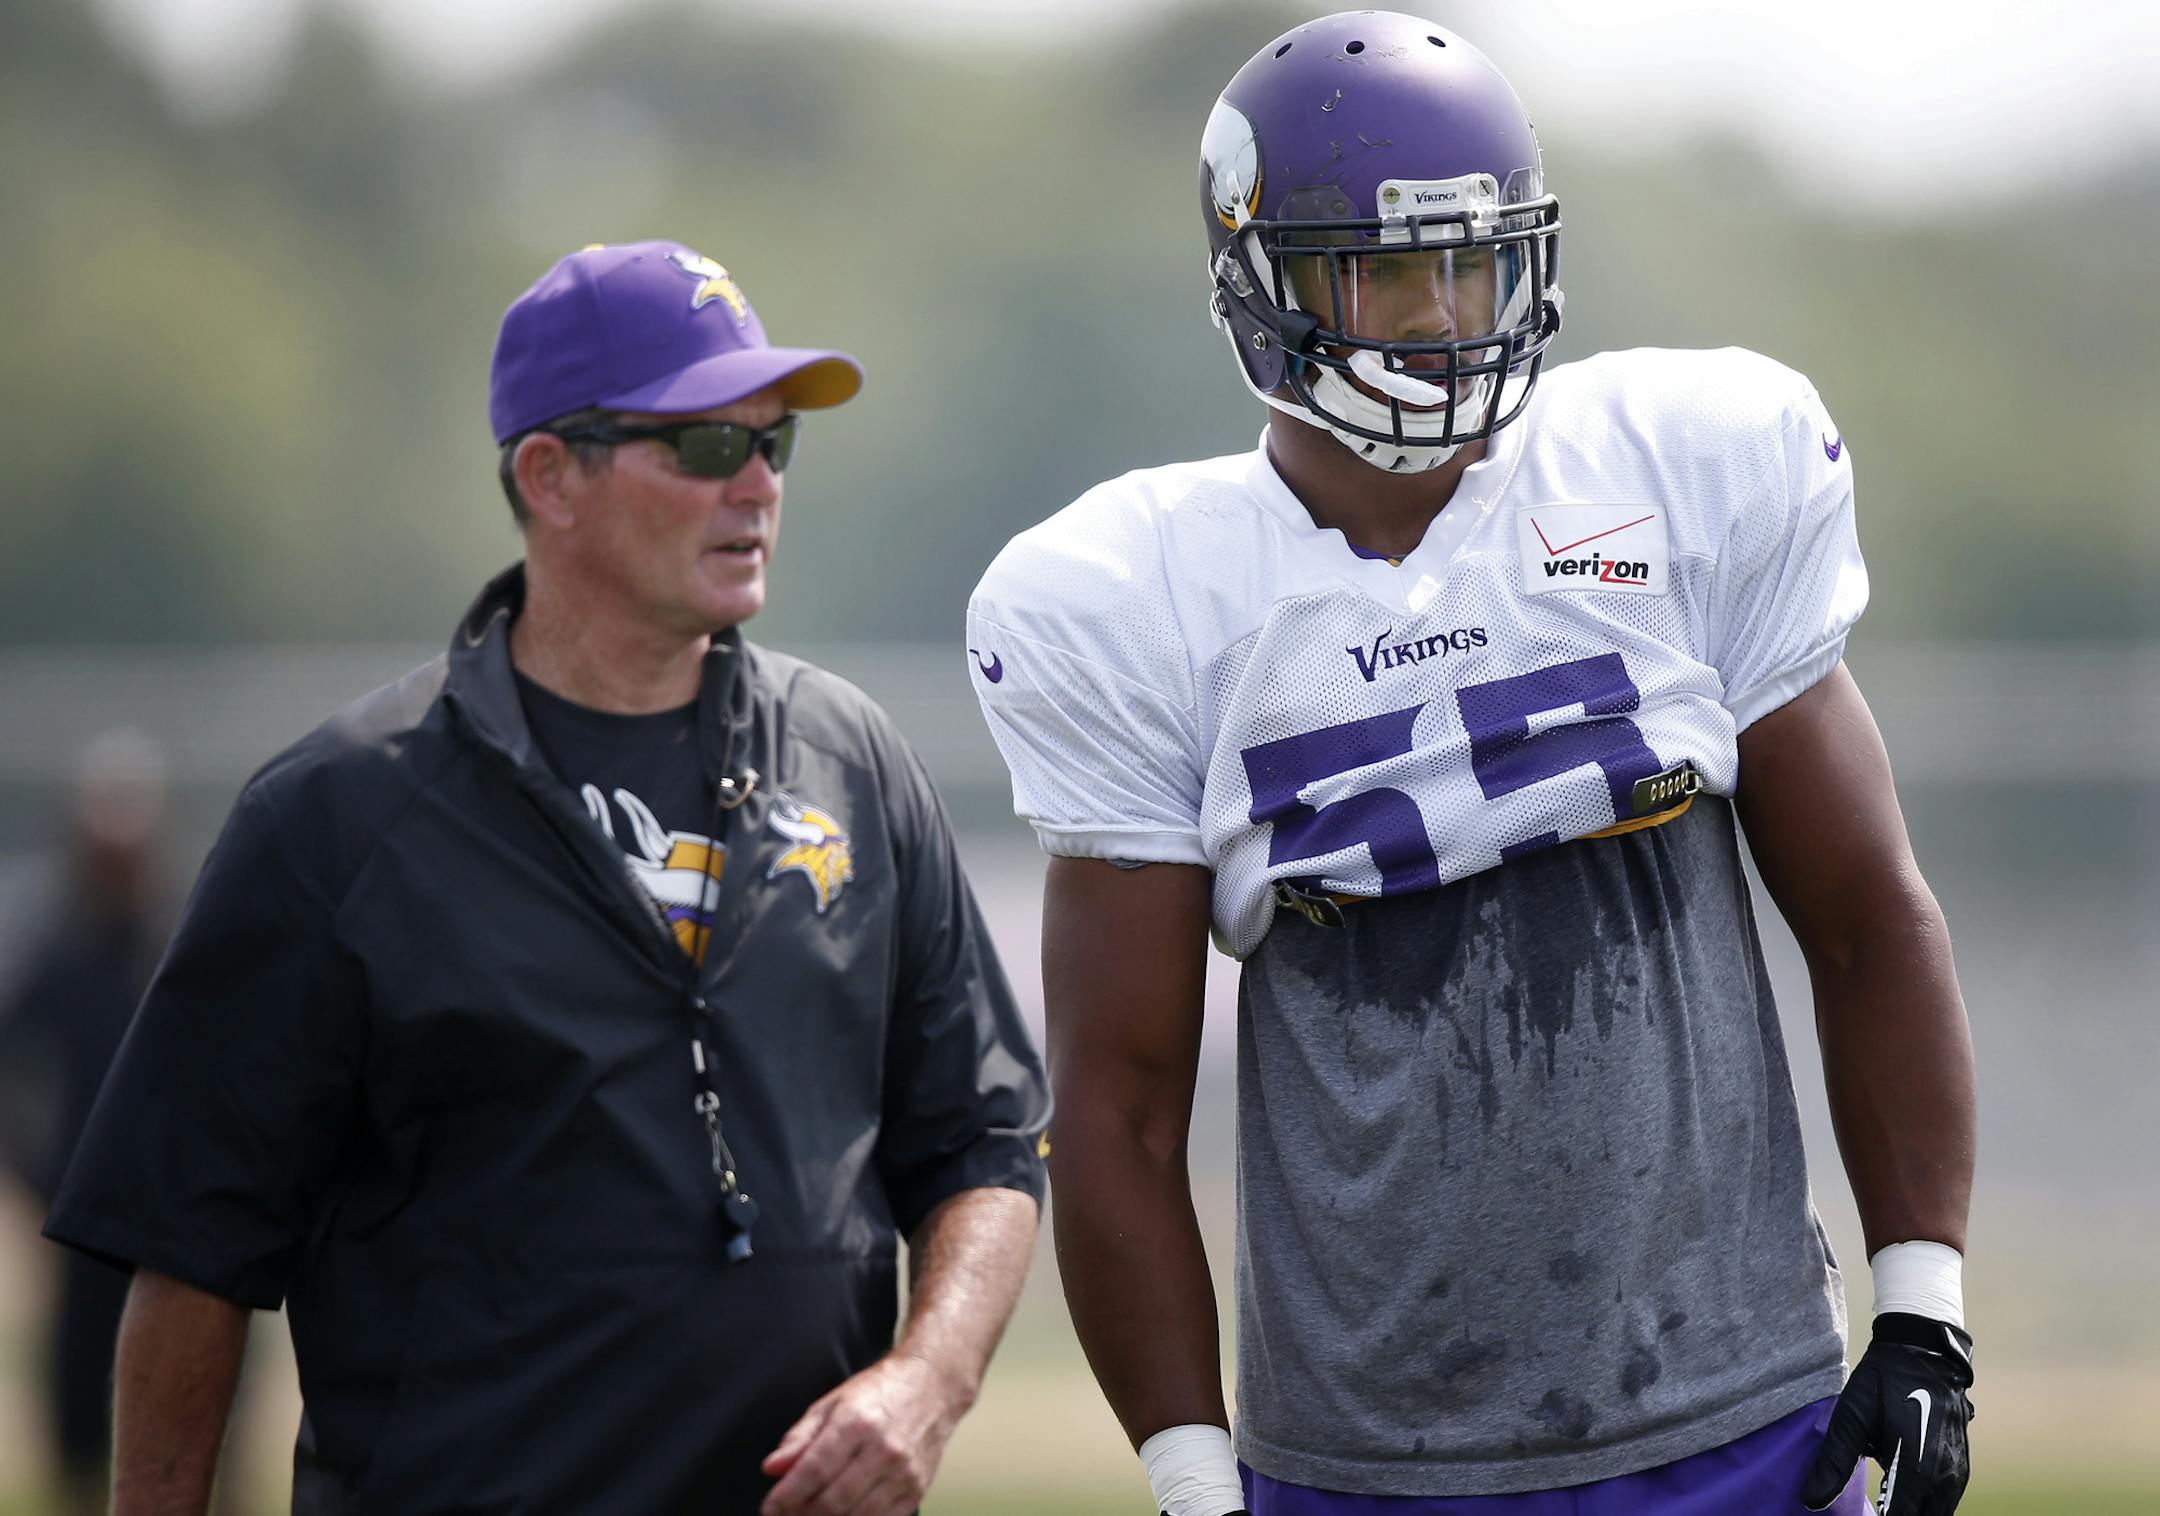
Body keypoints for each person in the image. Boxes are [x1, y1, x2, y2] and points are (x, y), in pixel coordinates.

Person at [966, 14, 1975, 1516]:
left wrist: (1924, 1305)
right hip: (1365, 1461)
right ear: (1263, 285)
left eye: (1473, 263)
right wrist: (1189, 1478)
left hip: (1741, 1418)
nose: (1439, 316)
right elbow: (1114, 1104)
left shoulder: (1682, 471)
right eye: (1382, 270)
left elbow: (1868, 913)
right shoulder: (1137, 602)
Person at [46, 239, 1050, 1516]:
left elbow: (985, 1141)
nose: (755, 485)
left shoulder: (853, 761)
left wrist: (928, 1380)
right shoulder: (335, 819)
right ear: (549, 476)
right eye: (702, 446)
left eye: (773, 443)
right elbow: (188, 1261)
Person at [0, 731, 170, 1516]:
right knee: (78, 1401)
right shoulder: (57, 956)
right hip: (80, 1218)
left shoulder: (178, 946)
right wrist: (38, 1176)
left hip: (175, 1221)